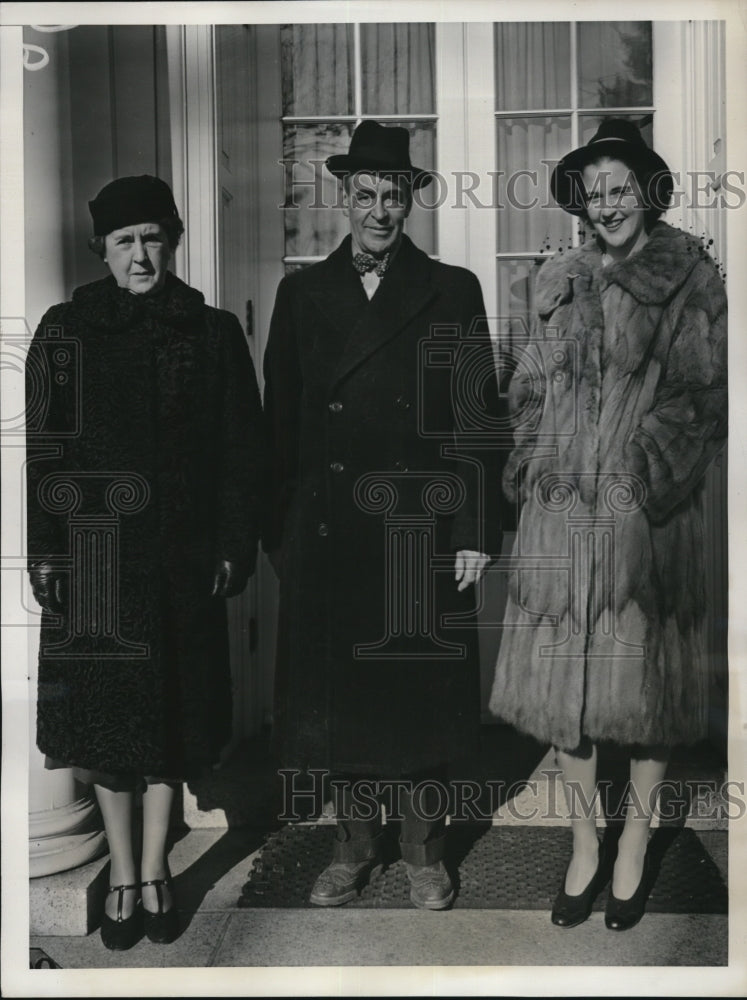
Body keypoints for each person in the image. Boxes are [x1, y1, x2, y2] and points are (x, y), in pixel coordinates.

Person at [489, 119, 727, 930]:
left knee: (646, 689)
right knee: (562, 693)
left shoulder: (690, 277)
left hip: (645, 523)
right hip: (558, 520)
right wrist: (533, 461)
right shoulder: (553, 280)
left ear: (647, 191)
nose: (606, 203)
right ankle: (584, 845)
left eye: (620, 187)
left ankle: (632, 847)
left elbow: (698, 399)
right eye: (593, 192)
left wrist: (633, 481)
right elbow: (521, 388)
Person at [263, 120, 502, 909]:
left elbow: (475, 422)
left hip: (419, 530)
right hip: (329, 532)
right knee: (343, 707)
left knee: (419, 700)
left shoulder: (453, 289)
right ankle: (352, 845)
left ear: (410, 201)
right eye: (364, 195)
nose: (378, 211)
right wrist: (283, 534)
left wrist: (472, 532)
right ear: (342, 198)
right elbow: (281, 425)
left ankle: (424, 852)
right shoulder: (301, 295)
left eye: (392, 195)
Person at [25, 175, 264, 949]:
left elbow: (242, 451)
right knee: (106, 732)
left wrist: (234, 542)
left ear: (175, 240)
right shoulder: (67, 329)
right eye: (125, 241)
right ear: (102, 248)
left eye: (154, 238)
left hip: (182, 560)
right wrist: (48, 548)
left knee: (173, 721)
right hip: (95, 559)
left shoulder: (213, 330)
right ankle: (123, 872)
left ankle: (156, 870)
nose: (141, 255)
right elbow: (46, 452)